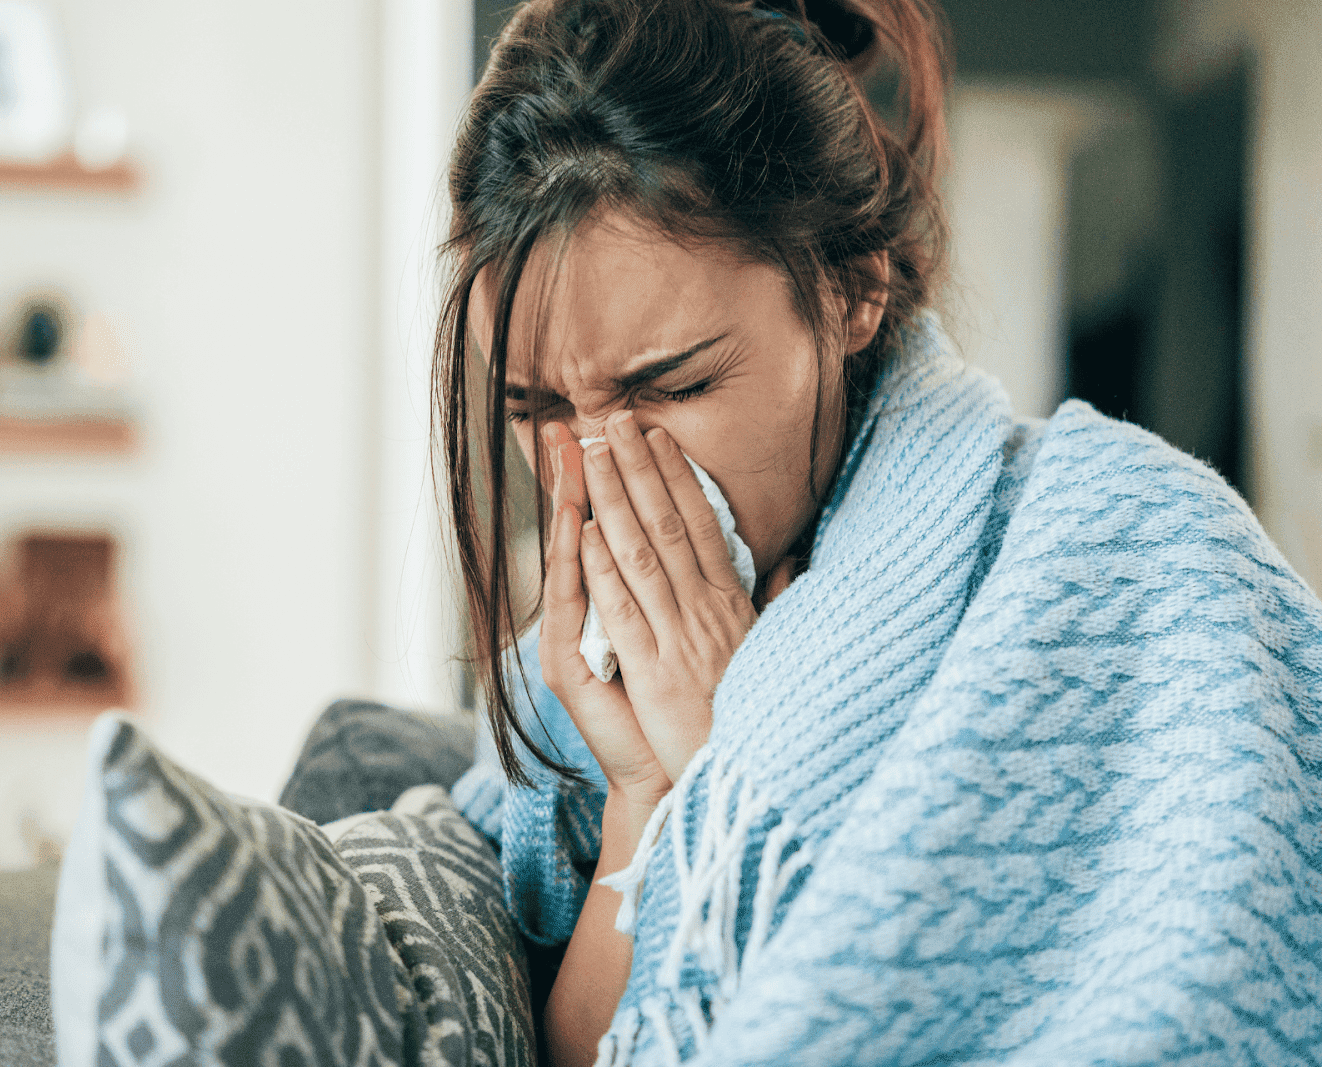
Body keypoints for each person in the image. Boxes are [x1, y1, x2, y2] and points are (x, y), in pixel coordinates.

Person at [435, 1, 1322, 1065]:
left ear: (856, 287)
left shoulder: (1130, 550)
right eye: (536, 411)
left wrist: (748, 751)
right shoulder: (562, 698)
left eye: (670, 386)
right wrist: (650, 795)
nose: (599, 473)